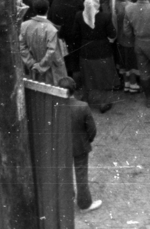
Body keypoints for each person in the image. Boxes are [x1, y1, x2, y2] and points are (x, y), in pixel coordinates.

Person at [59, 77, 103, 213]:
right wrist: (86, 140)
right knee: (81, 174)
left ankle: (67, 199)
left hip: (61, 146)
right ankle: (84, 204)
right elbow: (92, 130)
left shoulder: (55, 107)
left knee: (64, 173)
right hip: (80, 146)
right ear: (74, 89)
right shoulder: (82, 106)